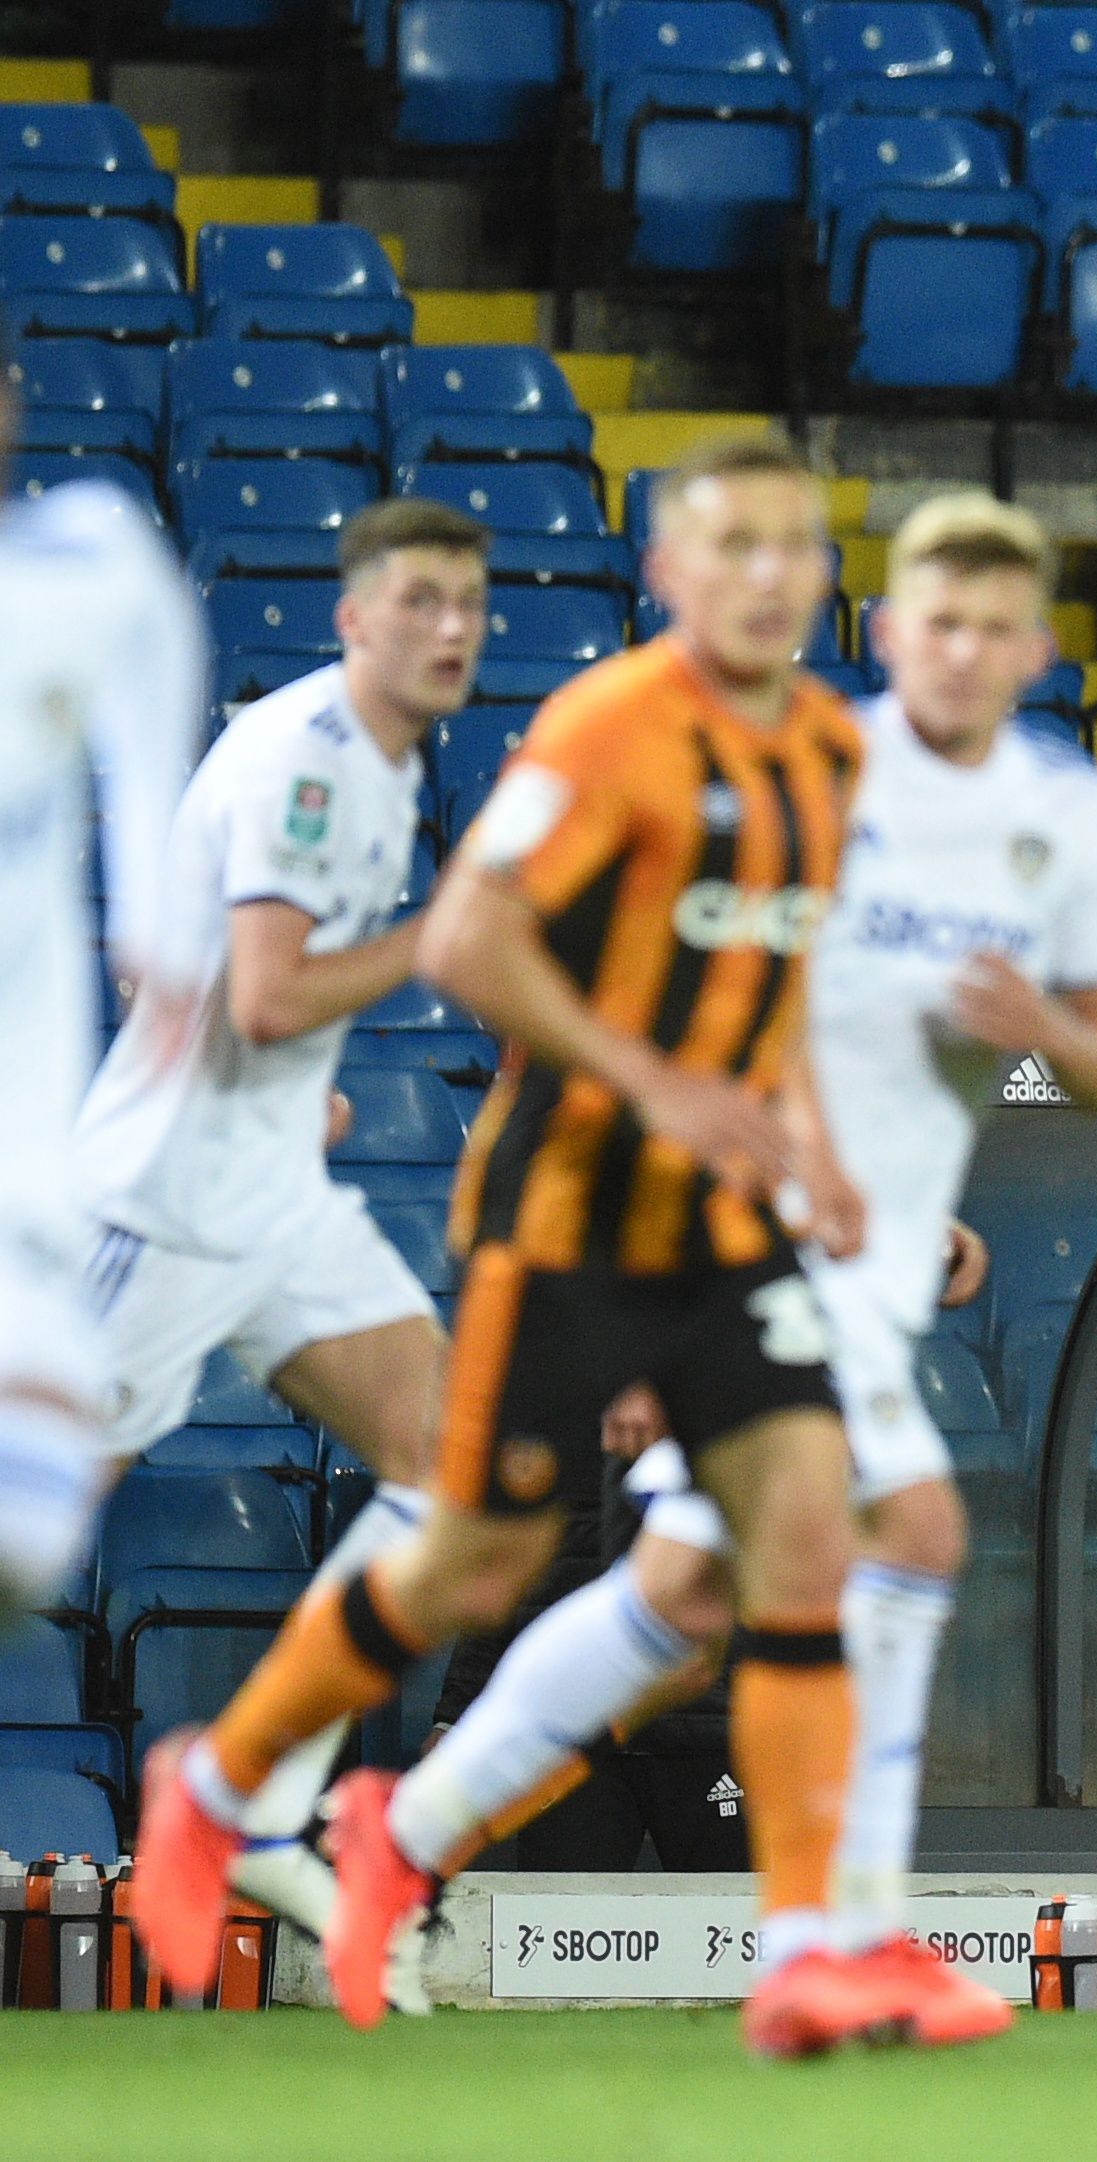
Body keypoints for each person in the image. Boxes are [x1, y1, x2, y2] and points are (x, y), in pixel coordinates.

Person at [342, 492, 1097, 2044]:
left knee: (679, 1593)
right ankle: (847, 1931)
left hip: (874, 1255)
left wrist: (1033, 1038)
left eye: (998, 629)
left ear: (1039, 650)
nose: (966, 655)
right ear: (887, 635)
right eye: (939, 624)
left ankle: (401, 1836)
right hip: (744, 1227)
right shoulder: (809, 781)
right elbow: (690, 1016)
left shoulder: (1077, 816)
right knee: (907, 1526)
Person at [129, 432, 895, 2060]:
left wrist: (818, 1155)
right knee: (472, 1551)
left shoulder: (827, 750)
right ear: (665, 579)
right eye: (731, 544)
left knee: (795, 1540)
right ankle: (224, 1794)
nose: (770, 575)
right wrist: (657, 1085)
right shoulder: (600, 727)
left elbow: (781, 990)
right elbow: (468, 943)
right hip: (553, 1206)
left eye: (797, 546)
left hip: (706, 1230)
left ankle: (813, 1939)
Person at [68, 499, 490, 1994]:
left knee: (457, 1468)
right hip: (161, 1201)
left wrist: (294, 1103)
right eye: (420, 599)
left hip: (271, 1201)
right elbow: (264, 990)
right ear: (352, 617)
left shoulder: (391, 758)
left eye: (471, 605)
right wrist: (440, 938)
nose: (451, 628)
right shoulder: (306, 754)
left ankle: (238, 1803)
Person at [0, 349, 202, 1614]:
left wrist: (158, 918)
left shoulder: (82, 564)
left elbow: (149, 668)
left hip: (21, 1163)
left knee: (25, 1543)